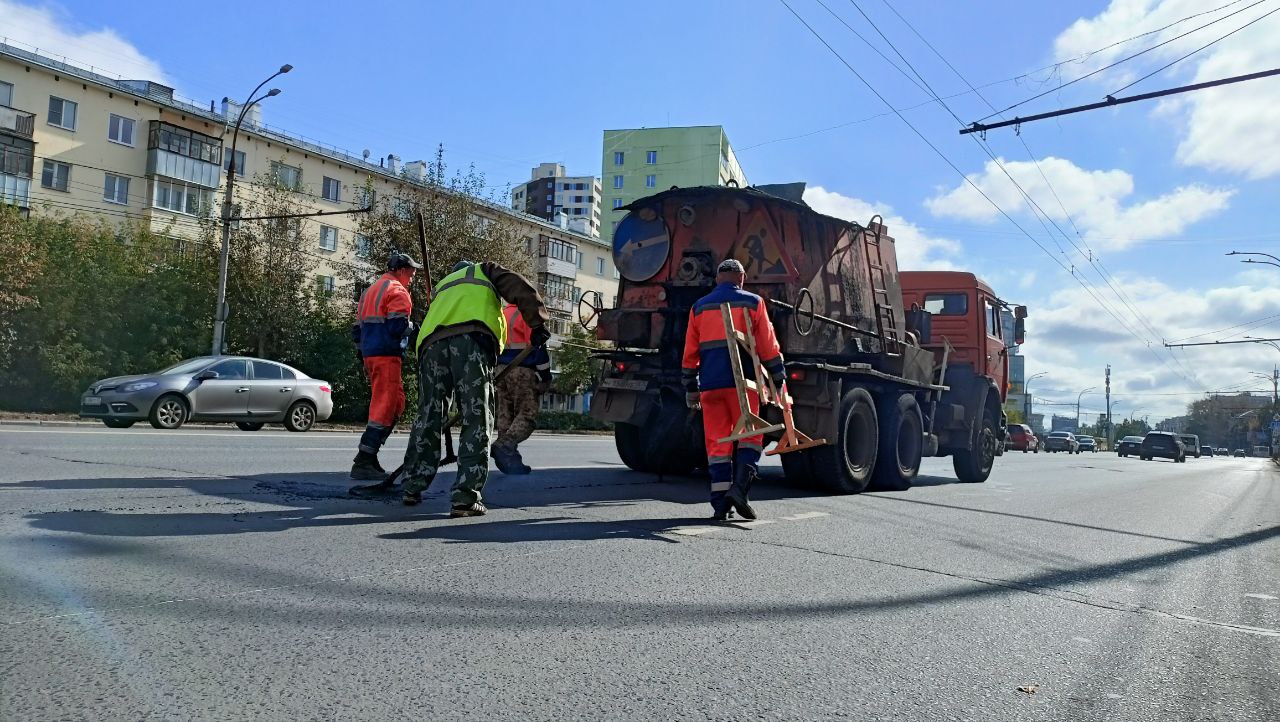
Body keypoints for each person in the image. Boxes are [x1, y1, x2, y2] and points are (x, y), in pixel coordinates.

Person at [400, 260, 549, 516]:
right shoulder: (484, 271)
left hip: (430, 347)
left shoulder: (444, 285)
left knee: (428, 415)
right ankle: (465, 498)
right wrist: (537, 322)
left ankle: (412, 486)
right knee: (476, 416)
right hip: (470, 340)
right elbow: (518, 286)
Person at [682, 258, 785, 521]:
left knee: (717, 444)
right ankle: (739, 490)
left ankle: (719, 505)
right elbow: (767, 345)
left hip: (710, 386)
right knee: (750, 436)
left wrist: (690, 387)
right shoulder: (753, 302)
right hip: (743, 385)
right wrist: (778, 376)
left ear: (717, 279)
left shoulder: (699, 307)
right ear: (741, 279)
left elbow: (690, 353)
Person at [349, 251, 420, 480]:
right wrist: (417, 328)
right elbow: (397, 327)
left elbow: (357, 330)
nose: (413, 276)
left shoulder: (370, 291)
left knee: (396, 403)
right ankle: (365, 459)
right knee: (386, 406)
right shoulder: (398, 291)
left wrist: (362, 356)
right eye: (411, 272)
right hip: (386, 355)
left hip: (371, 354)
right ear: (401, 271)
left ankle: (369, 457)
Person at [492, 302, 553, 475]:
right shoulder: (528, 314)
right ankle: (503, 445)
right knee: (527, 415)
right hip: (521, 369)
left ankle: (511, 464)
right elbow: (538, 348)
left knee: (506, 415)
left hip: (500, 371)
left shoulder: (502, 312)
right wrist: (546, 377)